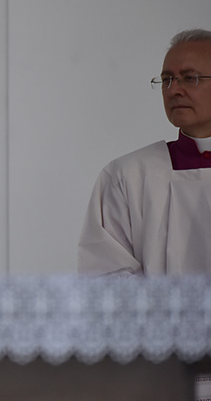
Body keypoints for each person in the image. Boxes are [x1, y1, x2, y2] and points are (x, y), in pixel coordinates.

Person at [79, 28, 211, 276]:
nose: (174, 90)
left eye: (189, 77)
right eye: (167, 79)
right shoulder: (127, 176)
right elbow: (105, 276)